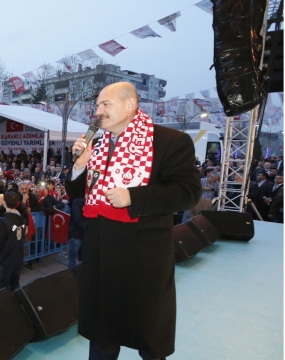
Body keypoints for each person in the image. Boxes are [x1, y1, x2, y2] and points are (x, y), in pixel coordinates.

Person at [66, 82, 201, 360]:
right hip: (101, 254)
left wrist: (134, 197)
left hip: (143, 258)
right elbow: (75, 193)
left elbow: (188, 193)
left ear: (129, 106)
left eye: (106, 104)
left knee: (149, 334)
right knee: (102, 334)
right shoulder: (99, 145)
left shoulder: (169, 141)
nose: (98, 111)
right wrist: (80, 165)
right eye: (98, 105)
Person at [0, 191, 26, 291]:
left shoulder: (4, 221)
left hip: (5, 260)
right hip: (18, 257)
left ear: (5, 202)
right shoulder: (21, 217)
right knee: (15, 286)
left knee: (3, 290)